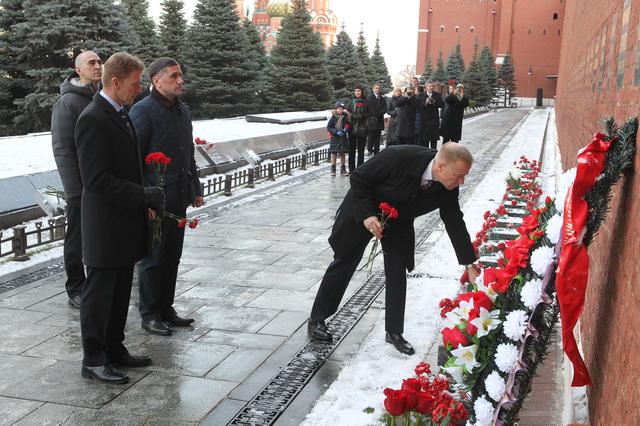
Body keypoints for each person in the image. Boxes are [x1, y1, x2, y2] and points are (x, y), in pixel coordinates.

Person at [307, 142, 479, 355]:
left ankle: (394, 332)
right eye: (459, 175)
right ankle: (317, 318)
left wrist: (469, 264)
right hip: (365, 209)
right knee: (344, 261)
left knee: (397, 270)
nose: (462, 181)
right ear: (441, 166)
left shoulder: (448, 185)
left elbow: (454, 220)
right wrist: (367, 216)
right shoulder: (397, 157)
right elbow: (359, 177)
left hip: (398, 220)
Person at [75, 52, 165, 384]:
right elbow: (95, 179)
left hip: (125, 220)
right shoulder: (93, 118)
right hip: (105, 224)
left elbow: (129, 166)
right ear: (115, 82)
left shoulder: (121, 114)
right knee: (99, 296)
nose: (138, 89)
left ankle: (115, 348)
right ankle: (94, 358)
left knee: (119, 291)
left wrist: (145, 198)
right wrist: (143, 195)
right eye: (134, 83)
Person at [130, 57, 204, 336]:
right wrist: (144, 199)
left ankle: (165, 307)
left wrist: (195, 189)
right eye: (173, 76)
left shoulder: (182, 111)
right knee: (153, 258)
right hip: (154, 200)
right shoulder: (143, 111)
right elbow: (133, 160)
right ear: (156, 80)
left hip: (178, 197)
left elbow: (188, 154)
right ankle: (149, 313)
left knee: (173, 255)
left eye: (180, 75)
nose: (180, 80)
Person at [50, 51, 102, 309]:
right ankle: (75, 287)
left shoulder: (101, 97)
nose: (98, 66)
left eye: (99, 62)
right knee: (77, 236)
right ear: (78, 70)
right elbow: (62, 148)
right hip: (81, 185)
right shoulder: (68, 102)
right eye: (91, 63)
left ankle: (94, 282)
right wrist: (74, 189)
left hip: (100, 181)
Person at [347, 85, 369, 172]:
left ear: (362, 91)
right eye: (356, 91)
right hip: (352, 128)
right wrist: (352, 116)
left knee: (361, 150)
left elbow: (369, 113)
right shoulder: (351, 101)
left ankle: (360, 169)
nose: (357, 92)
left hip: (362, 128)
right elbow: (347, 113)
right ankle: (351, 169)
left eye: (359, 91)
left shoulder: (366, 101)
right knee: (351, 150)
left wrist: (361, 116)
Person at [417, 81, 445, 149]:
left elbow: (442, 105)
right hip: (424, 122)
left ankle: (433, 156)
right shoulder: (420, 95)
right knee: (425, 142)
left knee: (434, 142)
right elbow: (417, 106)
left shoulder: (437, 95)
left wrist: (435, 102)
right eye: (430, 86)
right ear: (426, 87)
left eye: (432, 86)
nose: (431, 87)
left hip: (434, 121)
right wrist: (425, 103)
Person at [327, 101, 350, 177]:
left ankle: (343, 169)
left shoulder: (345, 117)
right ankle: (333, 169)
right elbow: (329, 127)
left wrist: (346, 128)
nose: (340, 110)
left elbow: (347, 124)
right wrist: (336, 132)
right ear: (336, 109)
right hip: (335, 138)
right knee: (334, 153)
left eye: (342, 108)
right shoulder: (333, 118)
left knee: (342, 153)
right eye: (339, 108)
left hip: (343, 138)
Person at [365, 83, 387, 155]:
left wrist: (380, 113)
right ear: (373, 89)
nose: (377, 89)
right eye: (376, 88)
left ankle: (376, 151)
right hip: (371, 120)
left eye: (378, 88)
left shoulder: (382, 98)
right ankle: (370, 150)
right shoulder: (369, 98)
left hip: (379, 119)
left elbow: (384, 108)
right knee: (371, 136)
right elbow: (367, 108)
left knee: (377, 136)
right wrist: (373, 114)